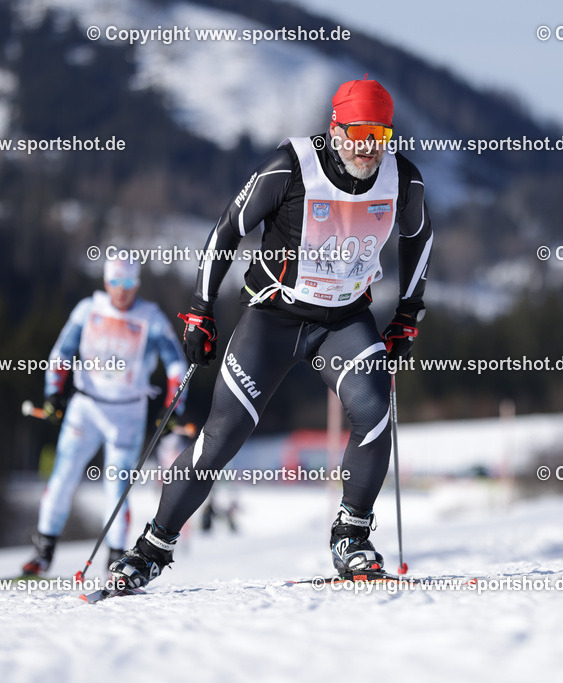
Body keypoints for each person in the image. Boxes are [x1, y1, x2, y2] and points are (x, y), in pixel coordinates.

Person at [110, 76, 433, 588]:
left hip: (344, 320)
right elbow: (227, 230)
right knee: (221, 437)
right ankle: (152, 548)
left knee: (374, 412)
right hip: (273, 319)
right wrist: (201, 310)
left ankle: (351, 537)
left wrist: (408, 315)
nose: (369, 147)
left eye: (381, 135)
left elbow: (419, 237)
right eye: (359, 133)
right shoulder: (292, 166)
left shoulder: (403, 179)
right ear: (336, 129)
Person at [21, 258, 188, 575]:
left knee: (116, 487)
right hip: (86, 408)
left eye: (128, 284)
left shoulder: (150, 318)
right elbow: (61, 353)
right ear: (106, 282)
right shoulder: (88, 309)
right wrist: (54, 393)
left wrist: (173, 408)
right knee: (62, 477)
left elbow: (177, 365)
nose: (122, 291)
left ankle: (115, 559)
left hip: (127, 414)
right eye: (116, 283)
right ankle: (42, 553)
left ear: (137, 284)